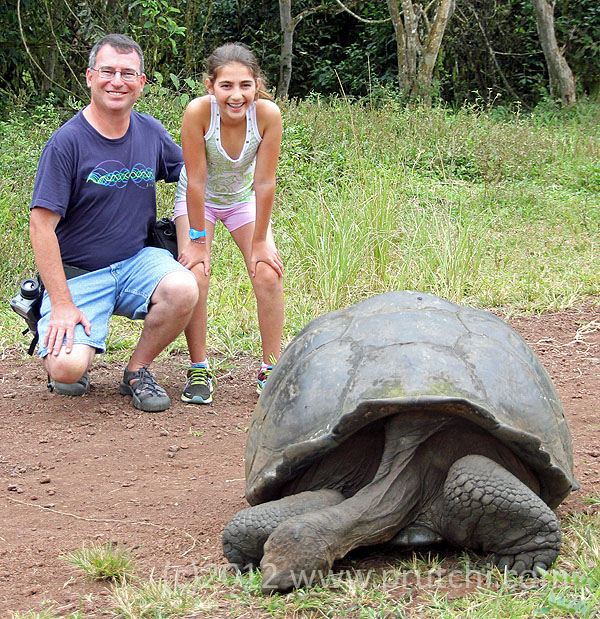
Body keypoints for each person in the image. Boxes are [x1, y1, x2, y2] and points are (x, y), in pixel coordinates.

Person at [29, 33, 198, 412]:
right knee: (68, 371)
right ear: (90, 77)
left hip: (136, 261)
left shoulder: (150, 131)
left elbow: (194, 173)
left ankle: (137, 371)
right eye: (107, 71)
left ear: (141, 82)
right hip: (80, 274)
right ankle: (43, 312)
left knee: (184, 286)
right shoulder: (67, 143)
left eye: (127, 73)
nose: (116, 81)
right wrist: (61, 303)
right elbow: (40, 227)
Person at [174, 43, 284, 404]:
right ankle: (199, 367)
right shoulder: (197, 113)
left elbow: (264, 182)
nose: (236, 95)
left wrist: (260, 242)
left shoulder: (267, 115)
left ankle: (271, 368)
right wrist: (196, 239)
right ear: (210, 86)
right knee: (196, 272)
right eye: (226, 86)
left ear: (256, 85)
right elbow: (196, 182)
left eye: (245, 85)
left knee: (267, 271)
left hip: (241, 200)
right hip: (198, 201)